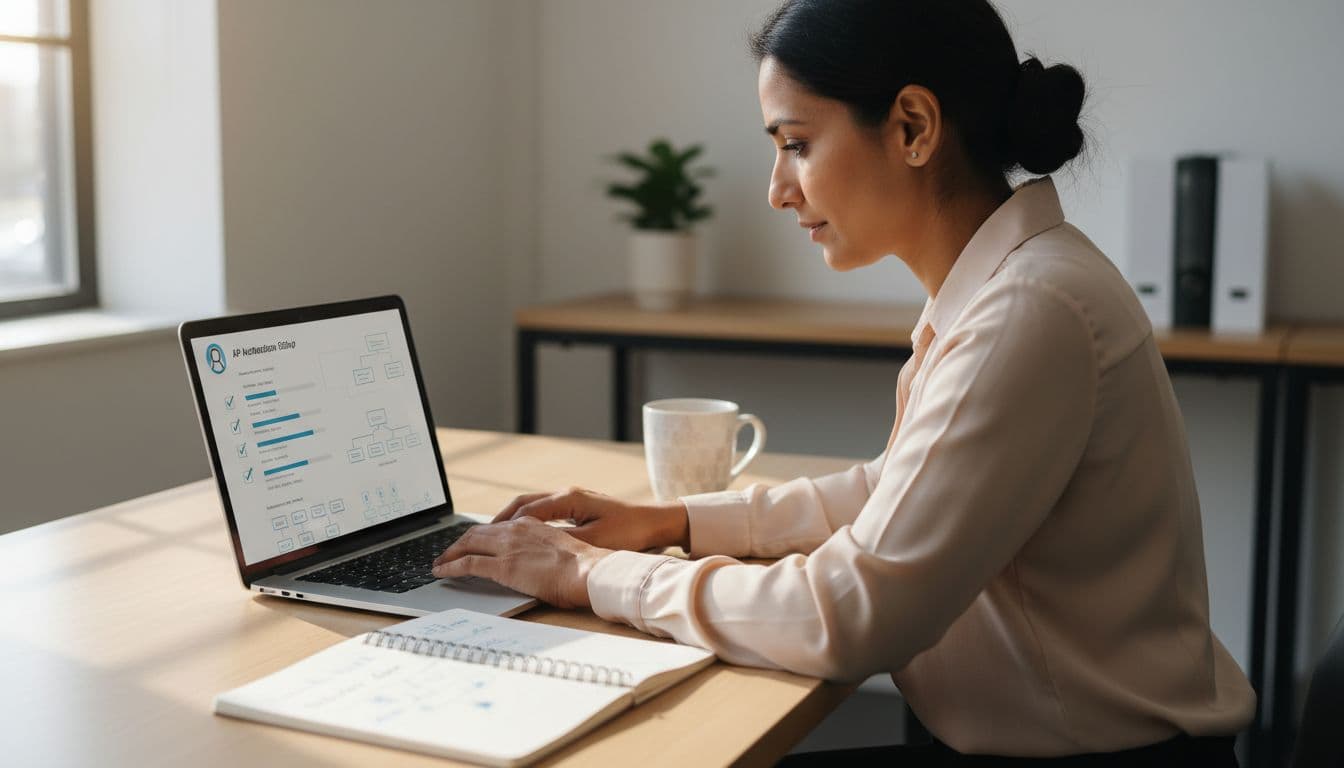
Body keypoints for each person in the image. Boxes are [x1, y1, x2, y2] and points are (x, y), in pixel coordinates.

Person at [432, 0, 1256, 763]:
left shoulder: (1030, 310)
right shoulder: (1011, 286)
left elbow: (851, 614)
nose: (776, 189)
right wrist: (671, 519)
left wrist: (589, 576)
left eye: (795, 143)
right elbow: (898, 493)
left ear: (912, 126)